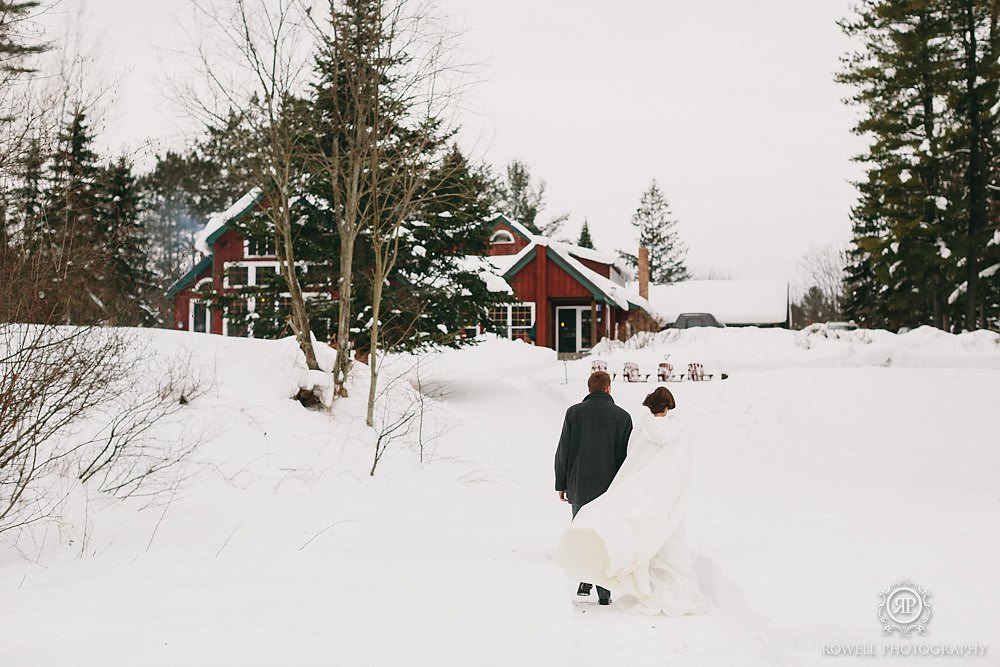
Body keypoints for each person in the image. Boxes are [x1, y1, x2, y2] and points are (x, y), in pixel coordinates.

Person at [555, 386, 706, 616]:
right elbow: (683, 467)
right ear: (669, 406)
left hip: (643, 497)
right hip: (668, 498)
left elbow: (632, 462)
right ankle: (678, 592)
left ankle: (645, 590)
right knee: (670, 546)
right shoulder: (680, 432)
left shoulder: (641, 430)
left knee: (643, 543)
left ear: (651, 405)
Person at [554, 370, 633, 605]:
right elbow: (627, 456)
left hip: (579, 484)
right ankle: (604, 590)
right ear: (609, 389)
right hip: (610, 487)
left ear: (589, 389)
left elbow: (563, 450)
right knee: (605, 536)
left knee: (583, 533)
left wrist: (562, 483)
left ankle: (585, 580)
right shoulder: (623, 417)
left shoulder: (574, 413)